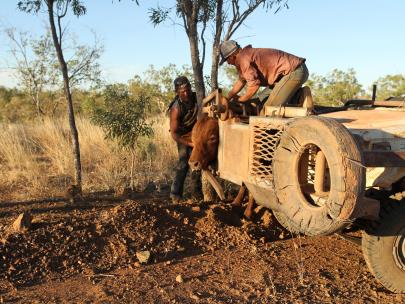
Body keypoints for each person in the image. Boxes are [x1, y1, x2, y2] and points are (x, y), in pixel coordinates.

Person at [219, 40, 309, 107]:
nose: (228, 63)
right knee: (258, 101)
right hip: (290, 73)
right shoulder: (245, 56)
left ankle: (299, 96)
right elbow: (241, 81)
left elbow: (254, 86)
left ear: (231, 56)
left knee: (269, 108)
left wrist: (241, 100)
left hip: (294, 72)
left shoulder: (243, 59)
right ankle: (298, 95)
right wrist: (228, 98)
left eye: (226, 60)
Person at [168, 76, 202, 203]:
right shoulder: (176, 108)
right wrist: (189, 143)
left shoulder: (198, 97)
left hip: (197, 134)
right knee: (183, 164)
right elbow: (174, 134)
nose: (186, 93)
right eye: (182, 92)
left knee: (197, 164)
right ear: (177, 92)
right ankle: (175, 195)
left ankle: (196, 195)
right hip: (183, 137)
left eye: (187, 90)